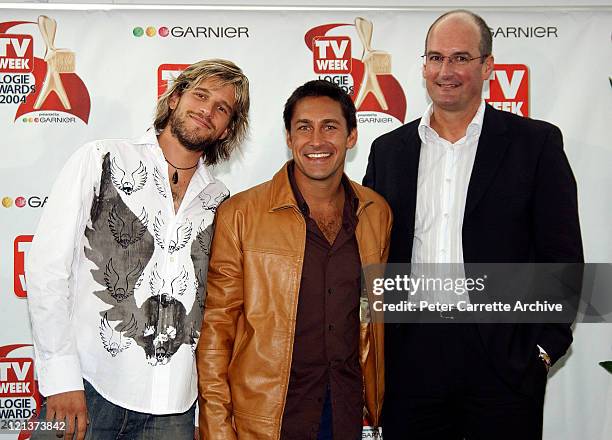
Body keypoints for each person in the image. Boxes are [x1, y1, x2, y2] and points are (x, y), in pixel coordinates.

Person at [363, 10, 583, 440]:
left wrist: (541, 350)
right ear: (423, 65)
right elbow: (374, 250)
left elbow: (562, 256)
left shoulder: (535, 144)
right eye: (436, 57)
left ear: (487, 66)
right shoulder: (389, 150)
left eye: (460, 57)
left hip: (504, 357)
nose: (446, 71)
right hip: (411, 356)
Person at [26, 58, 250, 440]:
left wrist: (200, 415)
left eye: (221, 108)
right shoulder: (101, 159)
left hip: (176, 408)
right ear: (175, 98)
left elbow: (215, 310)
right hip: (87, 386)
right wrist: (61, 378)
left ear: (227, 129)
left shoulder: (222, 201)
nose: (206, 111)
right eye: (200, 95)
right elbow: (47, 270)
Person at [197, 80, 391, 440]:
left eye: (330, 127)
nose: (316, 141)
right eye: (304, 128)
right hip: (267, 418)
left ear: (351, 137)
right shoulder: (241, 214)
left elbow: (373, 321)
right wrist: (217, 427)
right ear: (289, 139)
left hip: (346, 414)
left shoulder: (375, 214)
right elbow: (216, 331)